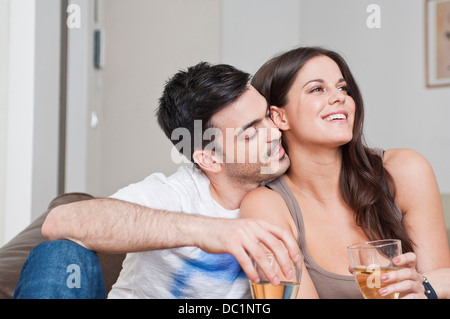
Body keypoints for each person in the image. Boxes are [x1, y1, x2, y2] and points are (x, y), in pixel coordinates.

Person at [14, 62, 302, 299]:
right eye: (251, 134)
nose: (275, 133)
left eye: (268, 116)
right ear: (210, 159)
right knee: (58, 253)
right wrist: (208, 231)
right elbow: (58, 223)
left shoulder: (288, 194)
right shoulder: (177, 194)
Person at [240, 46, 450, 299]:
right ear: (279, 117)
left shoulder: (405, 171)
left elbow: (443, 280)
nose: (339, 97)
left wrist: (424, 287)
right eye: (317, 89)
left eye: (343, 88)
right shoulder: (266, 205)